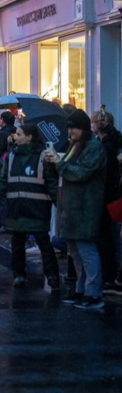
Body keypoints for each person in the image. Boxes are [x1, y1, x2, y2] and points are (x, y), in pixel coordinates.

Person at [0, 124, 60, 290]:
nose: (15, 137)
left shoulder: (42, 156)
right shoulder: (11, 156)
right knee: (18, 243)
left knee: (43, 243)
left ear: (29, 137)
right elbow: (2, 181)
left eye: (19, 134)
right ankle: (19, 275)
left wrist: (60, 203)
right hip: (17, 208)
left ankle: (52, 275)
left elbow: (52, 183)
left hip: (36, 208)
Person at [45, 109, 107, 309]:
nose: (70, 132)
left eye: (74, 128)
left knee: (86, 251)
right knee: (75, 251)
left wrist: (59, 163)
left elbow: (81, 173)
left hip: (85, 208)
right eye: (69, 128)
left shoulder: (94, 147)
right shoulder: (75, 145)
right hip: (71, 207)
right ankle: (82, 289)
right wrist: (54, 163)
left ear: (83, 129)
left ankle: (93, 293)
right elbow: (67, 171)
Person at [91, 110, 122, 291]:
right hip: (109, 196)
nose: (92, 126)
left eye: (94, 122)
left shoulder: (108, 145)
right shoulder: (105, 143)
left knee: (110, 237)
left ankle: (112, 276)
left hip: (109, 197)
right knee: (109, 237)